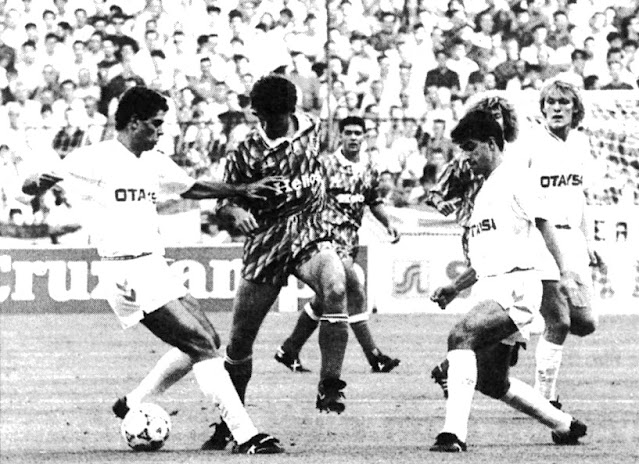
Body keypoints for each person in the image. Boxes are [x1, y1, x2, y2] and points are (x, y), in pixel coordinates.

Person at [21, 86, 285, 455]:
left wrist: (242, 188)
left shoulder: (153, 161)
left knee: (207, 339)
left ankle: (134, 402)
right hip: (125, 271)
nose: (161, 132)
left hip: (154, 265)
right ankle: (246, 436)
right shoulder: (95, 158)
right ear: (134, 123)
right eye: (156, 125)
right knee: (201, 345)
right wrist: (34, 184)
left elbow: (192, 187)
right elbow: (32, 184)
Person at [429, 109, 587, 453]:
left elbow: (545, 224)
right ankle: (564, 424)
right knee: (490, 380)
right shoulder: (486, 192)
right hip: (494, 286)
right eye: (462, 150)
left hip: (517, 287)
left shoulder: (518, 177)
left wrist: (566, 273)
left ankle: (452, 434)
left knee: (460, 336)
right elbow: (485, 261)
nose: (465, 157)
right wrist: (454, 288)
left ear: (491, 143)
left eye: (470, 148)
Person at [211, 74, 351, 447]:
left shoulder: (318, 131)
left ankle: (330, 385)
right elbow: (225, 201)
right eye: (260, 117)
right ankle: (231, 420)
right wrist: (233, 211)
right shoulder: (244, 151)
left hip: (309, 232)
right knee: (239, 344)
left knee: (336, 284)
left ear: (290, 111)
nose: (265, 124)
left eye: (273, 117)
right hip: (265, 243)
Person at [274, 116, 401, 374]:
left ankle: (288, 350)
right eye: (349, 133)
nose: (354, 137)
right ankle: (374, 356)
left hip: (349, 241)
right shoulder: (324, 165)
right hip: (325, 239)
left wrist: (388, 223)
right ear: (340, 136)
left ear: (364, 137)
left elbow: (373, 200)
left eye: (358, 133)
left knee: (328, 296)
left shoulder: (369, 169)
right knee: (354, 289)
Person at [529, 81, 598, 410]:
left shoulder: (582, 144)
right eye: (551, 102)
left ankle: (503, 338)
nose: (556, 108)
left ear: (575, 108)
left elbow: (581, 196)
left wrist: (590, 240)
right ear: (542, 107)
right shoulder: (530, 144)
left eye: (564, 102)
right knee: (559, 322)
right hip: (541, 239)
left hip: (573, 240)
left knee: (586, 323)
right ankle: (544, 401)